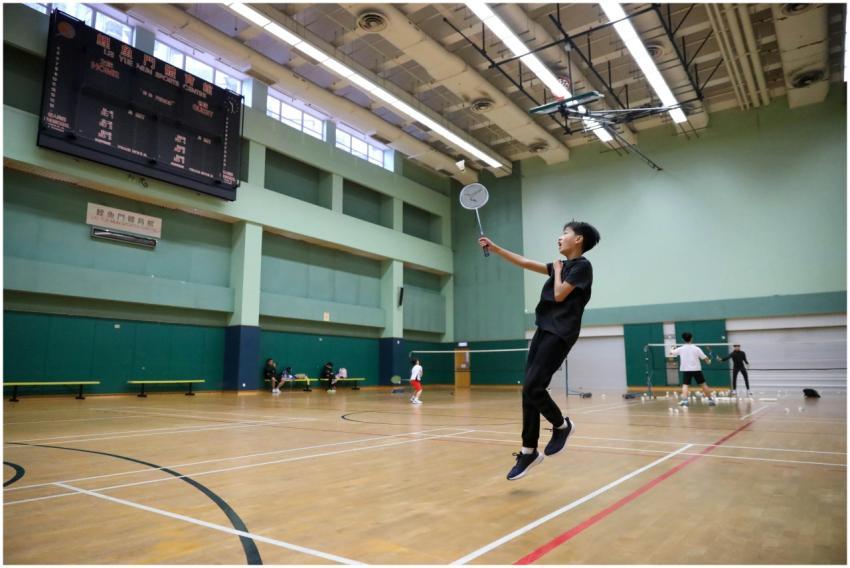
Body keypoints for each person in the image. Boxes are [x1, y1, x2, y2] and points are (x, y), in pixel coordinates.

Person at [479, 220, 599, 481]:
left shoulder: (581, 267)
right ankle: (528, 450)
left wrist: (556, 271)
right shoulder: (563, 266)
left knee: (534, 388)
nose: (559, 237)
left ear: (578, 240)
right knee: (528, 390)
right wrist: (495, 248)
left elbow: (559, 295)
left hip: (560, 333)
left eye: (565, 234)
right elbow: (524, 262)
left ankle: (562, 425)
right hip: (544, 329)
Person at [671, 332, 715, 406]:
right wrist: (708, 361)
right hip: (696, 369)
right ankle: (710, 400)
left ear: (683, 339)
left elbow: (671, 353)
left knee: (685, 385)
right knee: (703, 385)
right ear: (691, 338)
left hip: (686, 370)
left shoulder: (681, 349)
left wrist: (672, 348)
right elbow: (705, 358)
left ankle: (685, 401)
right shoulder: (696, 348)